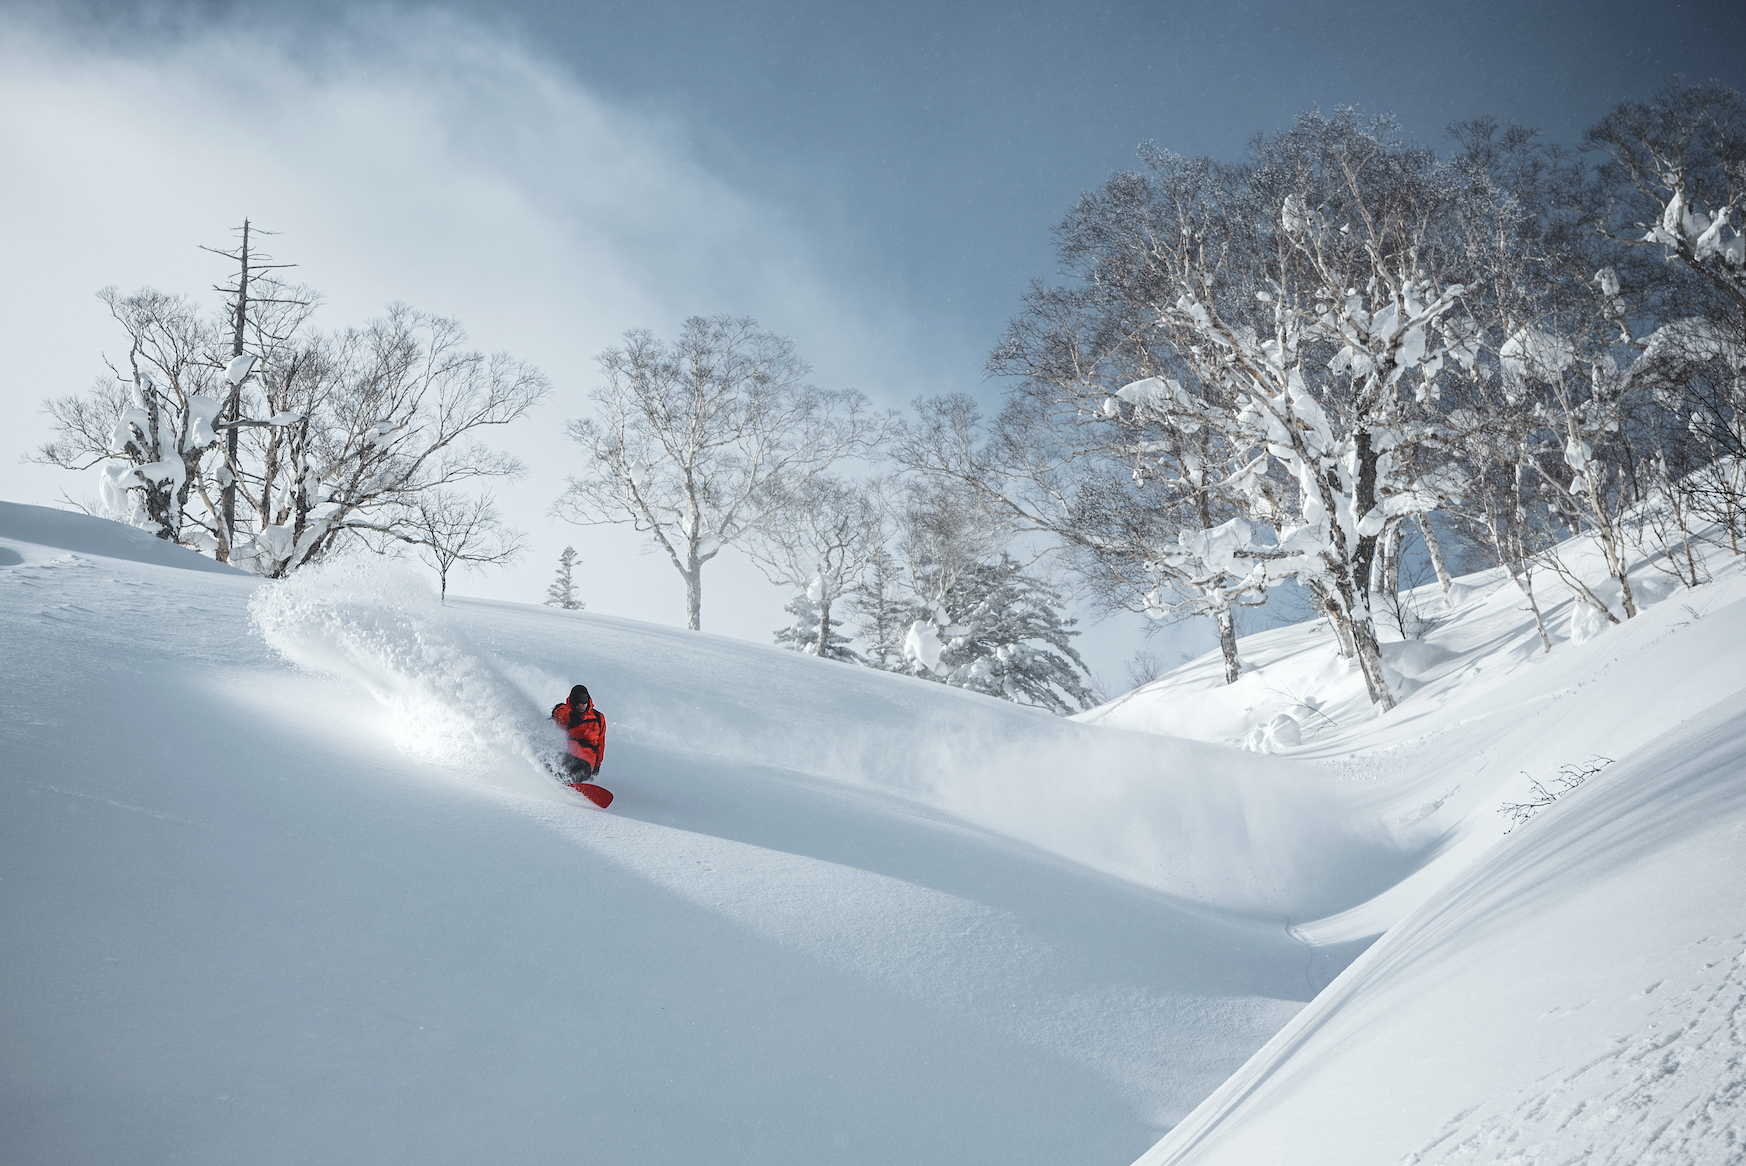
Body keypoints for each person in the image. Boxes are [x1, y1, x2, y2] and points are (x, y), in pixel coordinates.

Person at [551, 684, 606, 783]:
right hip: (569, 755)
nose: (581, 704)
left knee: (581, 768)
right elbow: (559, 713)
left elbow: (601, 743)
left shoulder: (598, 718)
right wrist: (571, 716)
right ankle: (555, 779)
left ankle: (568, 781)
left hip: (587, 761)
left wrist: (597, 765)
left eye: (583, 699)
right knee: (554, 759)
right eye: (577, 701)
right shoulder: (566, 712)